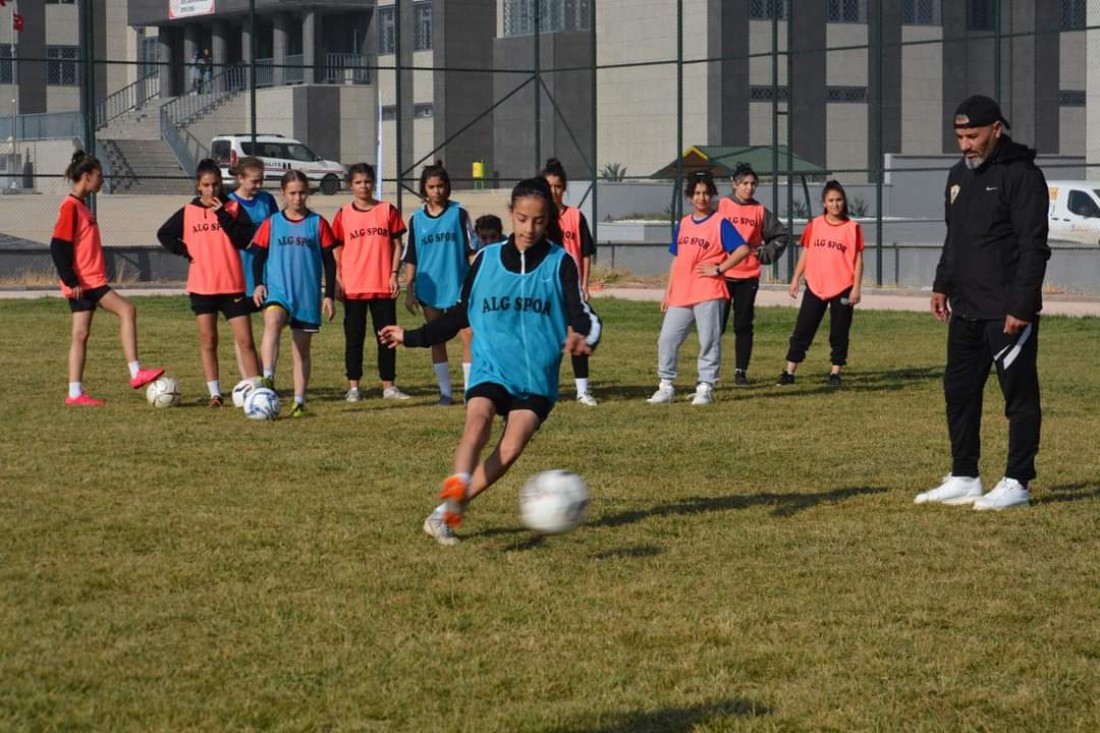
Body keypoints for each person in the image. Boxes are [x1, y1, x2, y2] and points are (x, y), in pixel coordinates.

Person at [379, 178, 602, 546]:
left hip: (535, 378)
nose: (530, 228)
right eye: (523, 218)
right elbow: (459, 314)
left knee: (510, 449)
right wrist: (412, 336)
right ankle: (453, 502)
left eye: (539, 221)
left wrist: (586, 336)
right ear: (511, 215)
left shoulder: (560, 263)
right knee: (477, 423)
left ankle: (446, 511)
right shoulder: (486, 259)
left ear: (549, 221)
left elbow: (584, 314)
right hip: (490, 366)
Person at [914, 95, 1050, 511]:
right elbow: (954, 238)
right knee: (958, 390)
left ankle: (1018, 482)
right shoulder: (958, 176)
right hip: (966, 309)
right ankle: (965, 475)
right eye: (959, 136)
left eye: (972, 136)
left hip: (1007, 312)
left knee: (1019, 397)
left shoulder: (1022, 176)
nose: (965, 145)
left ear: (996, 129)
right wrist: (941, 284)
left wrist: (1021, 306)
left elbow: (1034, 247)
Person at [50, 151, 163, 406]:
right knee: (127, 310)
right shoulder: (71, 207)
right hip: (85, 282)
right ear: (87, 177)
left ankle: (75, 394)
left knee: (81, 334)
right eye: (99, 176)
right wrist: (70, 281)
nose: (102, 181)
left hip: (89, 280)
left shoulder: (81, 206)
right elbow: (58, 246)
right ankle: (135, 373)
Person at [156, 158, 261, 407]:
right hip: (202, 286)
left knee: (245, 340)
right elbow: (164, 234)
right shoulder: (188, 211)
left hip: (232, 284)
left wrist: (222, 215)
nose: (211, 190)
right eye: (206, 185)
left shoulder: (233, 208)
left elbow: (244, 239)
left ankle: (256, 389)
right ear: (198, 186)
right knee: (208, 339)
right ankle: (215, 393)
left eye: (215, 184)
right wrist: (184, 249)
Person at [647, 171, 749, 406]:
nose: (701, 198)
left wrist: (720, 268)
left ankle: (705, 386)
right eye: (697, 193)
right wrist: (668, 290)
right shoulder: (684, 223)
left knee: (709, 340)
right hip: (682, 291)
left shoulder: (720, 222)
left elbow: (742, 249)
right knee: (667, 339)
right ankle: (666, 385)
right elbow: (677, 258)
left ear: (712, 195)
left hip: (709, 290)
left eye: (705, 193)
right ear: (690, 197)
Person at [250, 170, 337, 418]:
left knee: (301, 351)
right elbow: (258, 256)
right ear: (283, 194)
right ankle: (267, 378)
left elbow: (330, 263)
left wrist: (329, 295)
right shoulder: (273, 223)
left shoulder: (318, 224)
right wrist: (258, 284)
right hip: (278, 290)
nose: (297, 198)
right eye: (292, 193)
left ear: (307, 193)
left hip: (306, 296)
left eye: (302, 192)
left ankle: (299, 401)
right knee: (273, 321)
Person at [331, 162, 410, 402]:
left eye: (367, 181)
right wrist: (339, 278)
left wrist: (394, 273)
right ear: (350, 186)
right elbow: (336, 247)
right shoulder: (344, 214)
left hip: (382, 285)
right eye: (358, 182)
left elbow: (397, 244)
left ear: (373, 183)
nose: (363, 186)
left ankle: (389, 386)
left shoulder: (387, 210)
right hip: (354, 286)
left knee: (387, 338)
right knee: (354, 338)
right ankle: (353, 387)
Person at [401, 162, 477, 405]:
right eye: (432, 187)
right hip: (429, 289)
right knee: (436, 338)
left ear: (448, 187)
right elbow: (411, 256)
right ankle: (445, 393)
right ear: (424, 189)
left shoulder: (459, 214)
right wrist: (409, 289)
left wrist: (478, 280)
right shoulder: (416, 220)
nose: (437, 191)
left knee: (468, 336)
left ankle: (469, 393)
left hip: (458, 286)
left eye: (441, 186)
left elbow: (471, 250)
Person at [777, 180, 864, 387]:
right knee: (803, 330)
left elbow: (858, 259)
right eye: (831, 200)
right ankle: (789, 372)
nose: (835, 204)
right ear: (824, 202)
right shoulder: (814, 224)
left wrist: (856, 288)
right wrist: (795, 278)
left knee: (839, 332)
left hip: (842, 286)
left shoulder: (852, 228)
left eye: (839, 200)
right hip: (816, 286)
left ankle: (836, 372)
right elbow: (806, 252)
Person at [717, 163, 789, 385]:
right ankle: (710, 373)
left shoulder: (759, 211)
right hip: (721, 276)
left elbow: (781, 235)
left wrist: (764, 254)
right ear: (734, 184)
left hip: (747, 277)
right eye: (744, 183)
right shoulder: (722, 206)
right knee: (715, 326)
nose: (749, 188)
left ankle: (741, 371)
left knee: (743, 325)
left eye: (753, 184)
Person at [541, 157, 600, 407]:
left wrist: (584, 285)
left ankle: (582, 391)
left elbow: (585, 252)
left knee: (579, 332)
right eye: (549, 186)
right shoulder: (539, 217)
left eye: (557, 186)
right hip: (546, 289)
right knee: (547, 339)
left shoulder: (575, 216)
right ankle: (544, 388)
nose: (553, 191)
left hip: (571, 289)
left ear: (564, 188)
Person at [229, 156, 279, 376]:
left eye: (261, 181)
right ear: (240, 178)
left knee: (273, 325)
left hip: (266, 276)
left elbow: (278, 229)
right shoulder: (229, 203)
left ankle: (267, 377)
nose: (259, 186)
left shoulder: (267, 200)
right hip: (239, 276)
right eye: (254, 181)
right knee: (242, 335)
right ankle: (249, 381)